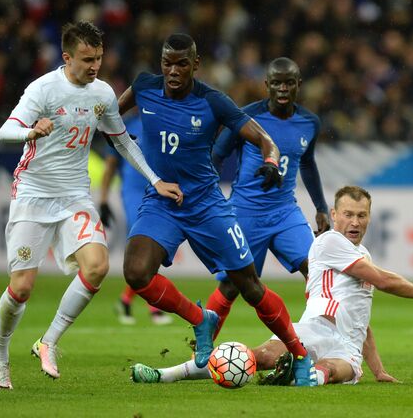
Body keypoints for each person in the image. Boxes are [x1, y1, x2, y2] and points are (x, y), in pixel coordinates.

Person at [0, 21, 182, 390]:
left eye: (99, 58)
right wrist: (30, 131)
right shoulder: (43, 89)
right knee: (22, 288)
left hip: (75, 195)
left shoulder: (104, 93)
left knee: (97, 266)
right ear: (67, 57)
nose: (94, 66)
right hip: (33, 194)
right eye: (87, 59)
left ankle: (48, 341)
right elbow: (5, 130)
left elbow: (121, 141)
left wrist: (155, 180)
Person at [118, 33, 317, 386]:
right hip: (162, 202)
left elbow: (262, 138)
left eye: (182, 64)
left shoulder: (213, 101)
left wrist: (271, 160)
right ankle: (200, 318)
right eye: (168, 63)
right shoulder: (144, 87)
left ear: (195, 64)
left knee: (249, 287)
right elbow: (108, 119)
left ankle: (299, 354)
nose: (174, 71)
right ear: (160, 63)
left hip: (207, 205)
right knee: (135, 272)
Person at [130, 185, 413, 386]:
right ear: (333, 214)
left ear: (370, 217)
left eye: (362, 215)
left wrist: (378, 369)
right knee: (258, 357)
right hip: (314, 329)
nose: (355, 222)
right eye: (348, 214)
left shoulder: (361, 253)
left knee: (332, 369)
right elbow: (384, 281)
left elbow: (360, 318)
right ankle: (168, 374)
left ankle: (298, 377)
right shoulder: (330, 241)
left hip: (346, 345)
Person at [206, 56, 330, 340]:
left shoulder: (310, 122)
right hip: (246, 213)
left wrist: (321, 207)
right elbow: (217, 155)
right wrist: (211, 195)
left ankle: (320, 341)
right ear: (267, 86)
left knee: (318, 273)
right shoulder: (245, 117)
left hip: (286, 211)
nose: (283, 89)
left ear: (298, 85)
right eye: (276, 83)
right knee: (231, 286)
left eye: (288, 83)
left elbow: (308, 163)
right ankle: (202, 349)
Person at [99, 113, 172, 325]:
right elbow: (111, 164)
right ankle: (154, 307)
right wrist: (103, 200)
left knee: (154, 248)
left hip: (158, 190)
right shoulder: (126, 125)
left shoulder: (165, 120)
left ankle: (125, 300)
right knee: (144, 243)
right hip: (134, 191)